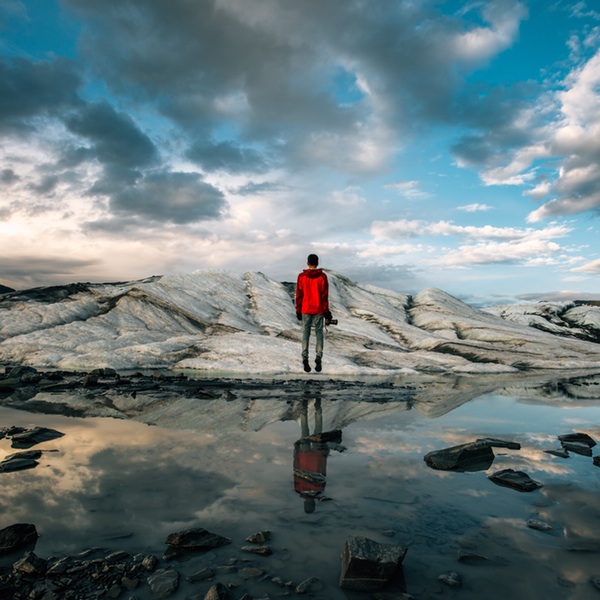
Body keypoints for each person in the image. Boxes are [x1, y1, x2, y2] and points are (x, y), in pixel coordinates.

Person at [295, 254, 332, 373]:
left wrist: (298, 309)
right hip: (318, 309)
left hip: (306, 309)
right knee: (319, 333)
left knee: (306, 333)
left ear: (307, 263)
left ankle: (305, 358)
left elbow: (299, 294)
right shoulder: (322, 277)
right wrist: (326, 311)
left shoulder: (301, 277)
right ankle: (318, 357)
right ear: (317, 263)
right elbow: (324, 296)